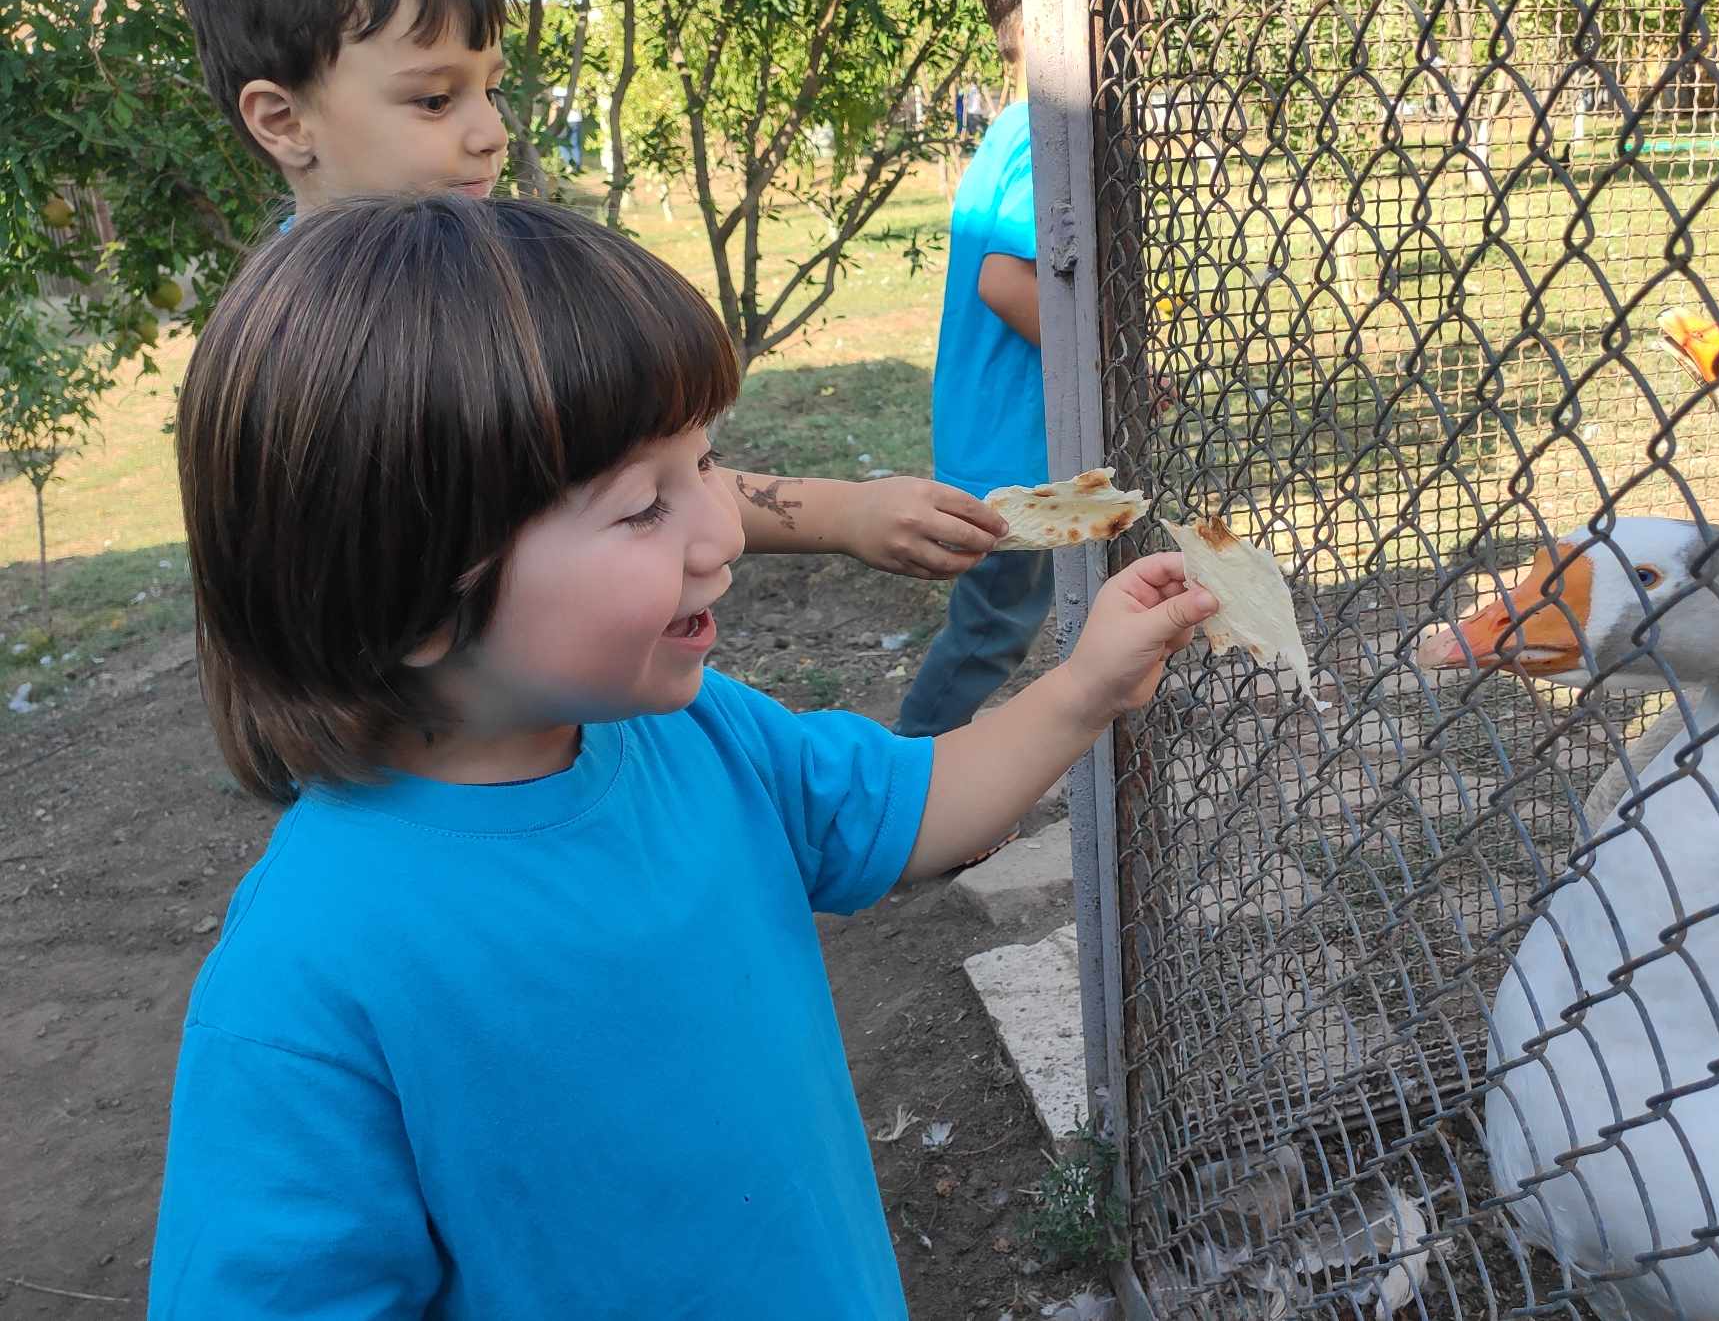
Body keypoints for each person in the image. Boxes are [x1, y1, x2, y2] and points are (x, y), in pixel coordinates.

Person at [148, 195, 1216, 1318]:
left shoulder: (696, 734)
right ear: (412, 593)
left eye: (704, 466)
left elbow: (916, 807)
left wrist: (1085, 683)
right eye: (641, 509)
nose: (719, 536)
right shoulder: (309, 980)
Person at [178, 0, 1004, 582]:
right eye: (435, 98)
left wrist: (851, 513)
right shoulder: (301, 357)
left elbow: (644, 483)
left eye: (491, 90)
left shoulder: (496, 274)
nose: (490, 133)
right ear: (283, 122)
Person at [898, 0, 1051, 739]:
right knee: (992, 627)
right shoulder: (1039, 133)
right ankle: (909, 772)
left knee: (1021, 612)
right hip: (1018, 452)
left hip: (1012, 440)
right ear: (1028, 32)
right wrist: (1097, 372)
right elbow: (1004, 281)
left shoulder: (1016, 128)